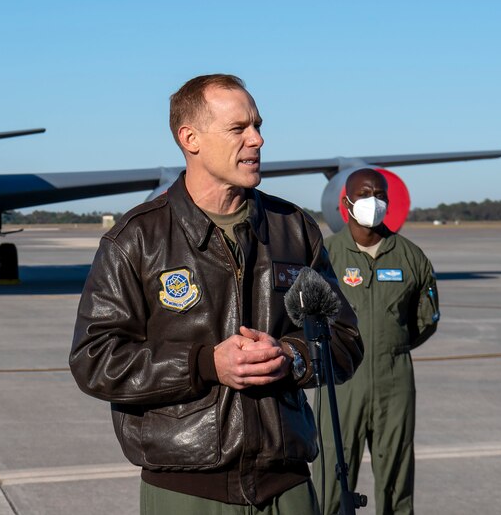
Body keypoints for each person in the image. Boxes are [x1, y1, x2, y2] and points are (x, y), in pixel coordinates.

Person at [69, 74, 364, 514]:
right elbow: (95, 360)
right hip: (186, 491)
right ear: (190, 139)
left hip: (285, 485)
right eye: (238, 128)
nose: (258, 140)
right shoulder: (136, 240)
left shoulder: (294, 231)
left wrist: (291, 358)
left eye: (258, 126)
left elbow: (343, 340)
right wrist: (208, 364)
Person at [317, 168, 439, 515]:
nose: (374, 201)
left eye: (380, 194)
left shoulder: (411, 258)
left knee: (396, 473)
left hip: (393, 378)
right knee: (332, 474)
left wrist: (388, 345)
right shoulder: (325, 255)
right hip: (340, 383)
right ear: (347, 203)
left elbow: (424, 321)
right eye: (366, 194)